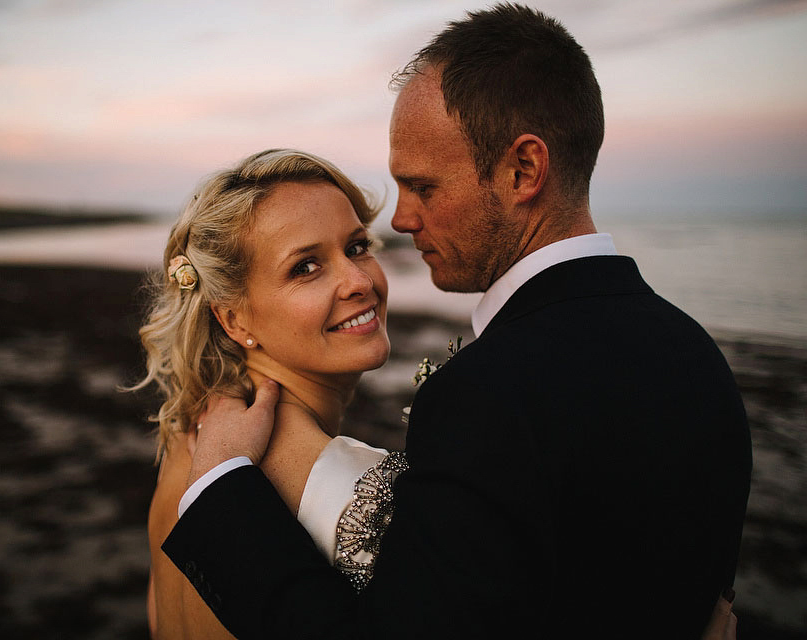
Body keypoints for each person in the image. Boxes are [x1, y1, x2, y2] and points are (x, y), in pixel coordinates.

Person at [162, 4, 752, 639]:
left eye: (423, 187)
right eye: (307, 266)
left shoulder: (488, 396)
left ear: (523, 171)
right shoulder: (699, 359)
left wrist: (221, 491)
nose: (403, 220)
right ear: (232, 316)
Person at [138, 148, 408, 638]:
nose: (359, 280)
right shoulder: (350, 488)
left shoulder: (189, 439)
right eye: (305, 267)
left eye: (356, 247)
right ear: (233, 318)